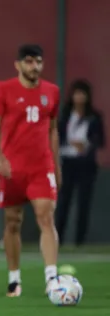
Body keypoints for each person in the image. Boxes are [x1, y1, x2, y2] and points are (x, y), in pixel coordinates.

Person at [0, 44, 61, 297]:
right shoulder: (3, 89)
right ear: (18, 65)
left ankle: (52, 277)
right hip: (12, 169)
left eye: (38, 61)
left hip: (41, 167)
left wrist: (56, 166)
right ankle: (14, 278)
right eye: (29, 61)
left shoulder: (52, 92)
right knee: (12, 222)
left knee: (45, 217)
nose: (34, 66)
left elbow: (52, 130)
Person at [56, 79, 105, 246]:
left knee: (84, 204)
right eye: (76, 94)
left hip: (86, 165)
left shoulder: (94, 117)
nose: (79, 98)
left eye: (82, 94)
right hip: (67, 163)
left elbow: (101, 140)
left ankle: (79, 242)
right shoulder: (65, 115)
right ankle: (58, 240)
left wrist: (87, 144)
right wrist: (68, 144)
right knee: (63, 202)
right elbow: (56, 137)